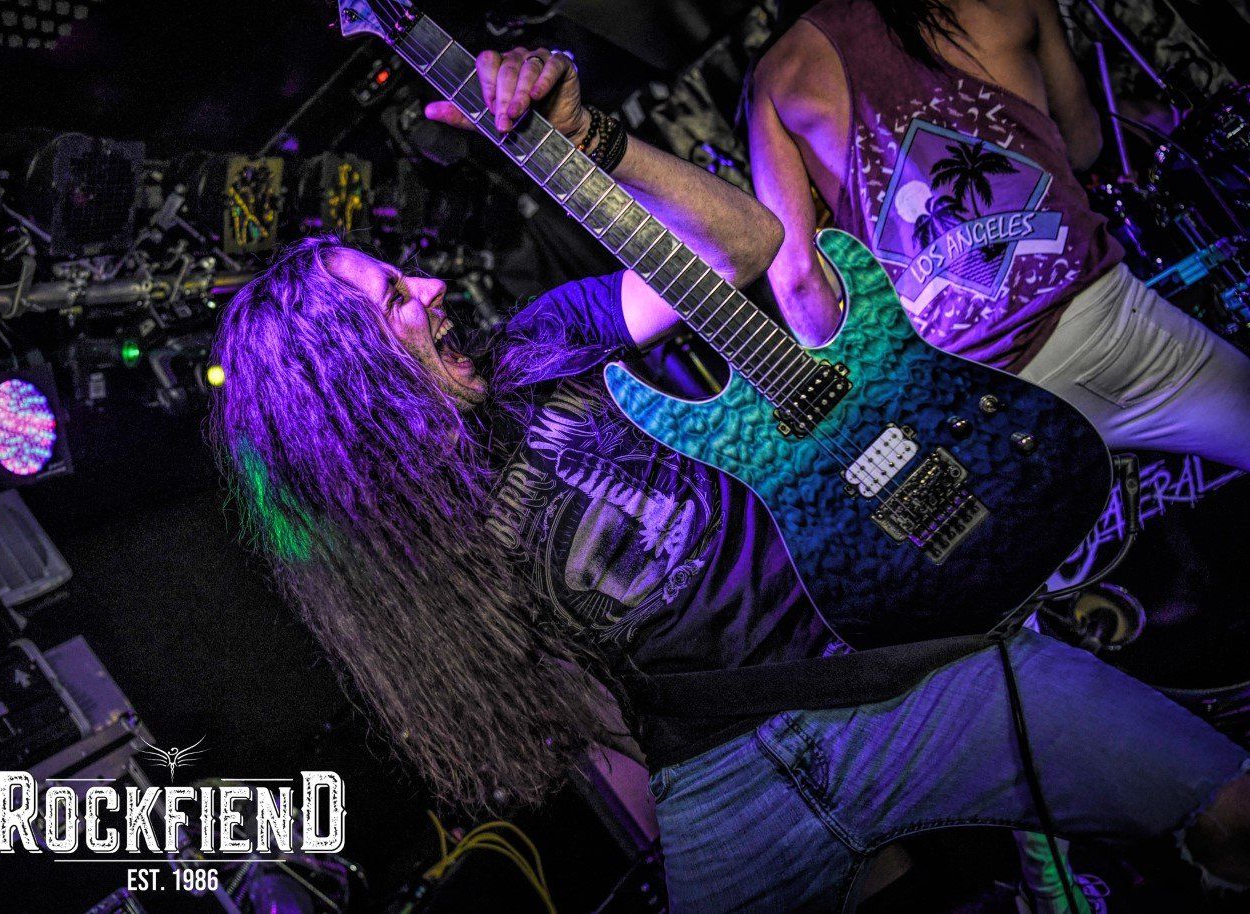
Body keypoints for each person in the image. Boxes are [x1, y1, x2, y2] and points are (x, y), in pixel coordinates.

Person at [210, 43, 1250, 913]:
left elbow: (746, 243)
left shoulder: (542, 340)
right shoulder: (407, 540)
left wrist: (595, 141)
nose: (434, 286)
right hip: (715, 780)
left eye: (406, 275)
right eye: (395, 300)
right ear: (348, 388)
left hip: (888, 675)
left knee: (1230, 808)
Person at [747, 0, 1250, 473]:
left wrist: (875, 407)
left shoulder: (782, 72)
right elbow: (1084, 144)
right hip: (1105, 326)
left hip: (967, 397)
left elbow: (798, 283)